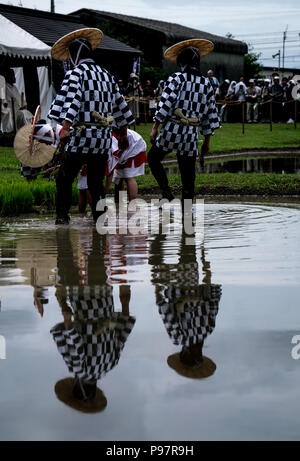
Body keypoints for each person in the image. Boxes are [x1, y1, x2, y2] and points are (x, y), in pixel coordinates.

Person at [48, 28, 134, 225]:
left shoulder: (75, 74)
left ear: (75, 55)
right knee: (95, 183)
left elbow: (72, 101)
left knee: (64, 178)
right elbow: (120, 106)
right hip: (102, 138)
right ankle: (100, 220)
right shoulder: (107, 76)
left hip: (81, 136)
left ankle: (62, 218)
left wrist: (66, 127)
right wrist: (123, 133)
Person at [147, 39, 220, 207]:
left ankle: (166, 192)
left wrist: (154, 128)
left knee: (152, 158)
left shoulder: (176, 78)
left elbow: (165, 104)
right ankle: (188, 217)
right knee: (188, 176)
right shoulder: (206, 84)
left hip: (172, 130)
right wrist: (207, 142)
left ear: (182, 62)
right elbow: (210, 115)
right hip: (191, 135)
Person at [105, 127, 147, 202]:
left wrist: (104, 193)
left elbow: (110, 173)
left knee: (128, 176)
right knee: (118, 178)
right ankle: (118, 202)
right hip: (126, 147)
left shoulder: (109, 142)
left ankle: (132, 203)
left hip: (134, 147)